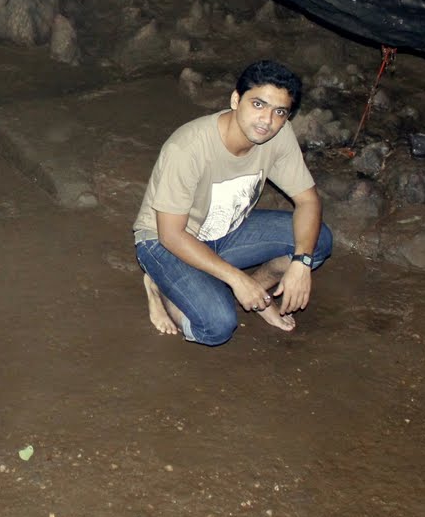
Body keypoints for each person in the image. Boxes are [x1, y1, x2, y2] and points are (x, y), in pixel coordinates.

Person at [133, 59, 333, 342]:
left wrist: (301, 262)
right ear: (236, 99)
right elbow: (170, 235)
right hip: (165, 242)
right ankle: (159, 285)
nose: (267, 120)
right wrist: (236, 278)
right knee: (216, 327)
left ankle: (257, 292)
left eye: (279, 112)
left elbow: (308, 202)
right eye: (258, 105)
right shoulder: (188, 147)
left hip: (225, 232)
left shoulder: (279, 135)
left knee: (318, 241)